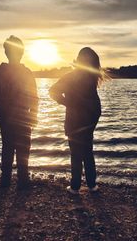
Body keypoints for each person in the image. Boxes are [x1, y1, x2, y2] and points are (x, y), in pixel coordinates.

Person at [49, 47, 102, 194]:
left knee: (76, 153)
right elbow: (94, 102)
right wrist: (70, 103)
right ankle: (91, 185)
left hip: (76, 120)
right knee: (87, 151)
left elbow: (52, 91)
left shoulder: (72, 77)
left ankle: (75, 186)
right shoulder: (91, 78)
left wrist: (68, 103)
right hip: (90, 118)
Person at [0, 35, 38, 190]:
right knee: (21, 150)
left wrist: (2, 116)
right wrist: (33, 115)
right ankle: (21, 182)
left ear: (6, 52)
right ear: (22, 52)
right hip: (20, 118)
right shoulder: (25, 73)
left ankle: (7, 182)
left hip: (10, 119)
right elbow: (34, 98)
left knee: (8, 149)